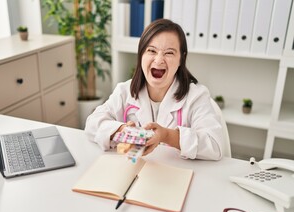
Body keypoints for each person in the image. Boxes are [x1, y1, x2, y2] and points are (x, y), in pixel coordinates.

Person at [85, 19, 224, 160]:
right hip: (133, 167)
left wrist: (167, 136)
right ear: (141, 55)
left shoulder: (197, 96)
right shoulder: (124, 91)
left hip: (174, 175)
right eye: (151, 50)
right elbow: (92, 124)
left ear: (181, 59)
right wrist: (121, 130)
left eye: (169, 53)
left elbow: (215, 147)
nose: (158, 60)